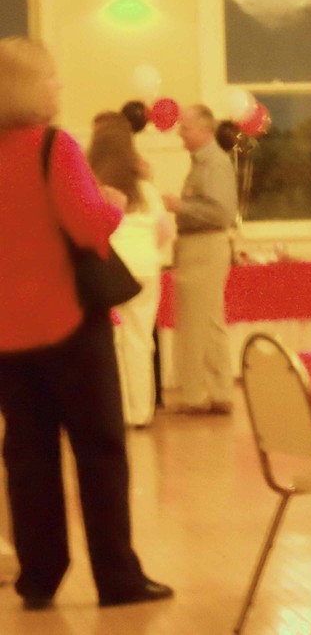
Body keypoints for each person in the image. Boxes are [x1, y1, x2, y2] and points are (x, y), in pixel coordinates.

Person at [0, 36, 172, 608]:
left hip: (8, 334)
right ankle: (117, 577)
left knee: (28, 461)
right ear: (30, 87)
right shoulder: (53, 146)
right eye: (51, 77)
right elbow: (87, 226)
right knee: (100, 455)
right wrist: (112, 206)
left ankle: (39, 577)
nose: (59, 85)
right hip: (69, 323)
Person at [87, 112, 173, 427]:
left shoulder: (93, 187)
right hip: (146, 270)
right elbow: (164, 232)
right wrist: (149, 253)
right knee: (141, 341)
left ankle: (118, 410)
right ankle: (142, 412)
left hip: (111, 271)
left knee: (113, 341)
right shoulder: (146, 189)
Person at [162, 104, 238, 415]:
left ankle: (198, 396)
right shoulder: (202, 163)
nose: (180, 133)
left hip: (204, 246)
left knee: (198, 323)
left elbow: (222, 212)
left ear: (205, 130)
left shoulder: (214, 164)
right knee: (205, 321)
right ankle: (217, 393)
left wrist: (180, 207)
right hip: (196, 246)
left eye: (186, 128)